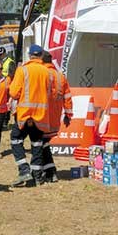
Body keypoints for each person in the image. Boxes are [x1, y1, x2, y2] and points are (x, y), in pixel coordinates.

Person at [8, 44, 55, 187]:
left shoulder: (23, 70)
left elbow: (14, 93)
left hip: (25, 115)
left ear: (30, 55)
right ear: (41, 56)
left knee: (16, 139)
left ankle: (24, 171)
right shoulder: (47, 72)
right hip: (41, 116)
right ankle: (37, 177)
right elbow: (50, 94)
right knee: (37, 144)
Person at [42, 51, 73, 182]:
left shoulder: (41, 75)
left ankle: (49, 172)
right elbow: (67, 97)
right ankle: (49, 171)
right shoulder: (61, 77)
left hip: (42, 117)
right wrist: (68, 115)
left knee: (40, 145)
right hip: (55, 119)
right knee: (44, 145)